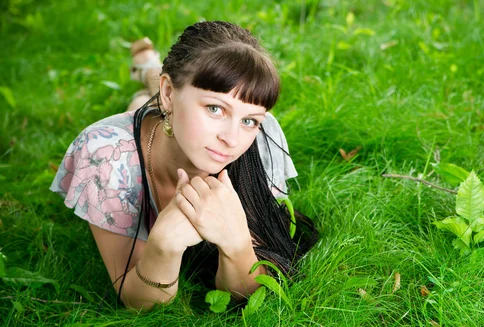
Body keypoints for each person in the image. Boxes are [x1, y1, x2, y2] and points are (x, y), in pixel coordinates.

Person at [50, 21, 318, 310]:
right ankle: (148, 75)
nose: (231, 139)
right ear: (168, 92)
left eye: (249, 119)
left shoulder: (259, 140)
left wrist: (237, 244)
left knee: (152, 104)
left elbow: (247, 295)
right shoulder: (105, 157)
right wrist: (163, 246)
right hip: (151, 123)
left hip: (167, 108)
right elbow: (138, 303)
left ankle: (147, 70)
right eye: (215, 108)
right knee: (140, 105)